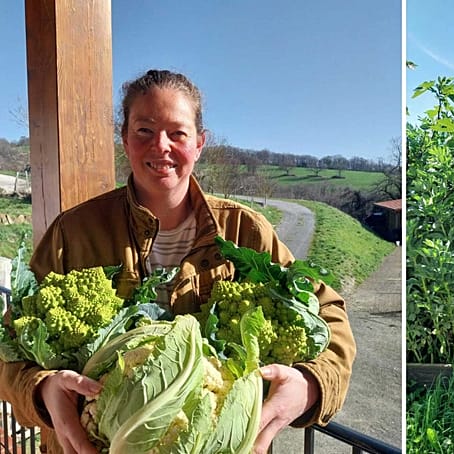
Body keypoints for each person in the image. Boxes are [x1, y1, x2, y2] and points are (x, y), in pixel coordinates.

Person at [0, 69, 356, 453]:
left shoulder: (244, 231)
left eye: (178, 133)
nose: (161, 146)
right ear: (124, 140)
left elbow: (327, 311)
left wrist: (312, 385)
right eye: (144, 131)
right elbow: (10, 347)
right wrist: (42, 390)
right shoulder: (73, 232)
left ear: (200, 143)